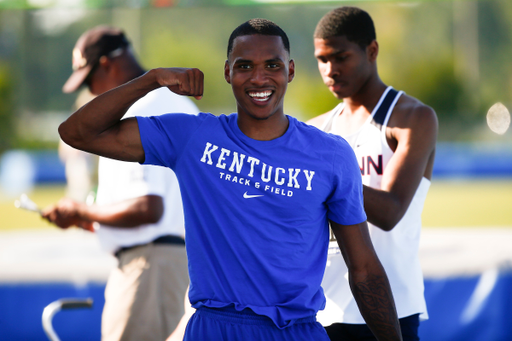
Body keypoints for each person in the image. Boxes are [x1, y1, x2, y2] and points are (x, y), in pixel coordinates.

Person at [55, 19, 403, 341]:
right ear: (227, 72)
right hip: (214, 328)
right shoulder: (192, 137)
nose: (258, 77)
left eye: (273, 65)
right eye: (244, 66)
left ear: (290, 70)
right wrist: (151, 80)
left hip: (296, 331)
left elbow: (364, 269)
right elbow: (78, 133)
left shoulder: (330, 154)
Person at [42, 26, 198, 341]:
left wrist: (81, 211)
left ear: (106, 64)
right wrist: (93, 220)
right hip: (170, 262)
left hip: (150, 267)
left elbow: (148, 207)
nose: (89, 91)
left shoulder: (144, 108)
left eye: (88, 81)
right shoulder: (170, 102)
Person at [307, 7, 438, 341]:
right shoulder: (317, 129)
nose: (330, 70)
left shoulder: (412, 117)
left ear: (372, 51)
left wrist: (325, 178)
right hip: (323, 309)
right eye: (322, 59)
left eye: (341, 57)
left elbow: (390, 210)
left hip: (389, 311)